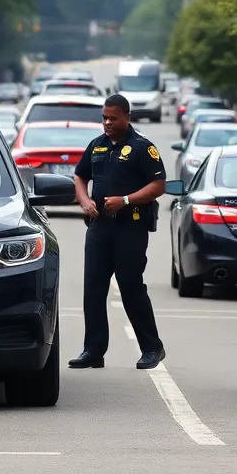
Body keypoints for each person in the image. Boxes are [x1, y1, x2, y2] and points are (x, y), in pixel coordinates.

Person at [69, 95, 167, 371]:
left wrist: (125, 200)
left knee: (131, 287)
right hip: (100, 228)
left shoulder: (142, 148)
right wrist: (85, 201)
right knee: (94, 290)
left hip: (131, 227)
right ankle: (94, 350)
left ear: (127, 117)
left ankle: (151, 348)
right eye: (104, 117)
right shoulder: (97, 146)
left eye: (113, 118)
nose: (107, 123)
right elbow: (80, 176)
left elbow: (158, 184)